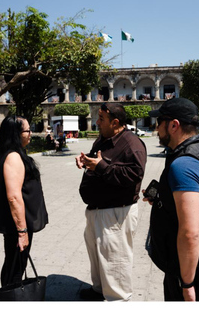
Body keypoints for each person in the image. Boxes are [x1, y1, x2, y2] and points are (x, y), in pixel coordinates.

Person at [144, 98, 199, 301]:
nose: (156, 128)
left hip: (187, 270)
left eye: (159, 122)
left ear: (173, 125)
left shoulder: (183, 165)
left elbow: (190, 234)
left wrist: (187, 284)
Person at [75, 102, 147, 301]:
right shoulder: (104, 139)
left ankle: (118, 300)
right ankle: (99, 289)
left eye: (101, 119)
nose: (97, 122)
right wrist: (86, 161)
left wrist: (101, 167)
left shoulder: (132, 144)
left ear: (115, 122)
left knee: (115, 261)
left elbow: (134, 175)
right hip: (97, 210)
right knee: (98, 257)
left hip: (115, 214)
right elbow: (96, 161)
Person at [0, 115, 48, 287]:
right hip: (17, 225)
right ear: (16, 133)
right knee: (15, 267)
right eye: (27, 130)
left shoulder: (8, 153)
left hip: (18, 223)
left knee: (13, 263)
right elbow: (14, 197)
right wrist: (22, 232)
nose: (30, 133)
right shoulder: (13, 157)